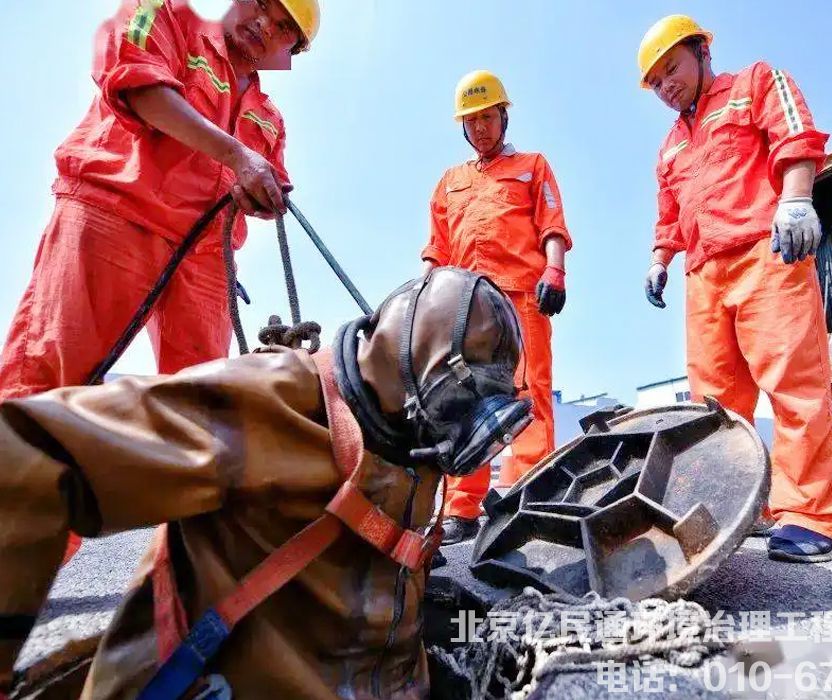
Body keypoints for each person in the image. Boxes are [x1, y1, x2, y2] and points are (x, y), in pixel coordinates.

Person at [0, 267, 530, 699]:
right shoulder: (270, 400)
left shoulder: (416, 439)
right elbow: (29, 454)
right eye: (461, 393)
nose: (468, 427)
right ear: (414, 368)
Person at [0, 0, 320, 561]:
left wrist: (264, 194)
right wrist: (236, 156)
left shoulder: (270, 118)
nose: (264, 26)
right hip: (112, 214)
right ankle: (18, 557)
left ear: (289, 51)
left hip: (203, 260)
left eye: (284, 28)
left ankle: (183, 580)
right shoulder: (166, 13)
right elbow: (140, 85)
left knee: (205, 420)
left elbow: (268, 180)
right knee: (49, 386)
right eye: (262, 6)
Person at [637, 15, 832, 562]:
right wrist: (660, 259)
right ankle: (740, 507)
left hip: (765, 256)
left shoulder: (754, 83)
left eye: (671, 70)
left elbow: (795, 134)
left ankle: (808, 513)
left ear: (702, 52)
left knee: (793, 385)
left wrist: (796, 198)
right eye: (655, 83)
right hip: (703, 275)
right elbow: (669, 213)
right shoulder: (668, 147)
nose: (666, 86)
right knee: (714, 411)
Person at [420, 70, 573, 545]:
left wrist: (555, 270)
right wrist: (426, 301)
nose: (480, 127)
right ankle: (460, 509)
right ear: (462, 126)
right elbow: (436, 248)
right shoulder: (451, 181)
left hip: (521, 299)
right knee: (462, 401)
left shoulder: (532, 165)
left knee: (527, 399)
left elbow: (552, 222)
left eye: (488, 117)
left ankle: (526, 502)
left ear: (503, 116)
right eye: (471, 120)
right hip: (464, 307)